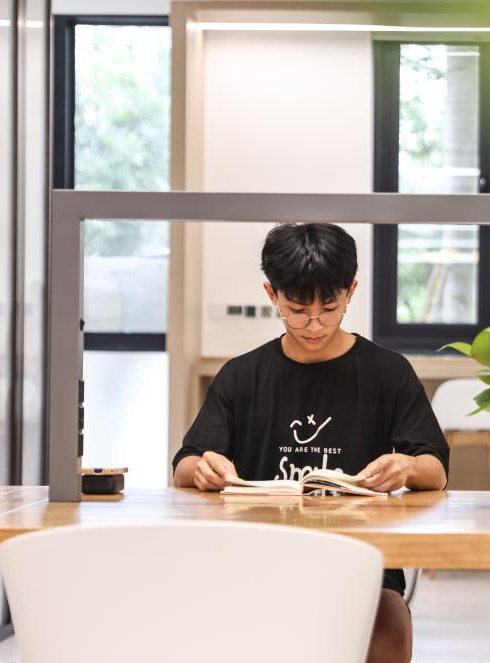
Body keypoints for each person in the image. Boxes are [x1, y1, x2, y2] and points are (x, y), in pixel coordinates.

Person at [173, 223, 449, 663]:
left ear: (351, 291)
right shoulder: (242, 376)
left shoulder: (387, 372)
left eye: (330, 309)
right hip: (258, 561)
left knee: (389, 637)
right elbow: (185, 466)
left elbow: (435, 470)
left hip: (363, 565)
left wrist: (408, 467)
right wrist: (203, 468)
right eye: (298, 311)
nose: (314, 325)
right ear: (272, 294)